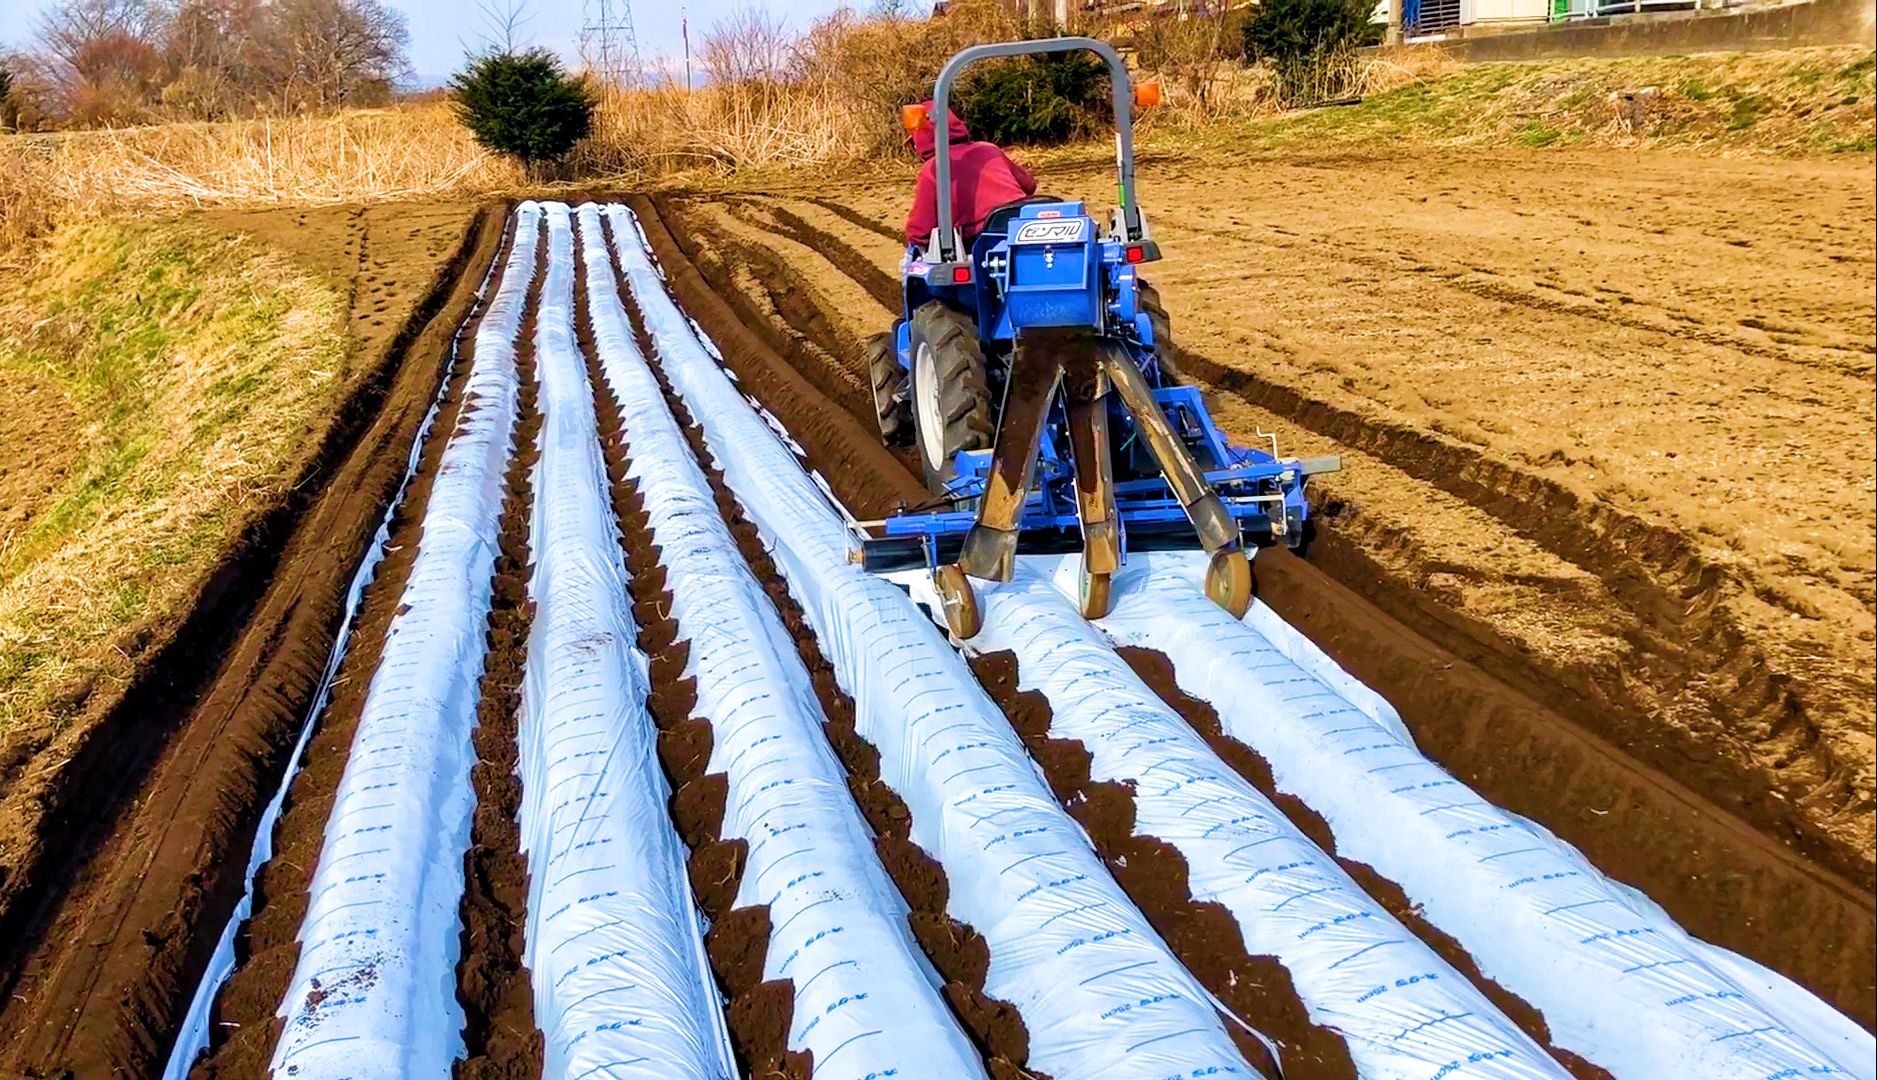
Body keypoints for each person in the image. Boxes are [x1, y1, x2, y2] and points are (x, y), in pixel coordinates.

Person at [903, 102, 1037, 248]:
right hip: (1020, 226)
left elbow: (920, 230)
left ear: (921, 137)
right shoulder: (990, 150)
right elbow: (1029, 185)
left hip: (979, 240)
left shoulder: (934, 168)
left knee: (915, 253)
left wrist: (916, 239)